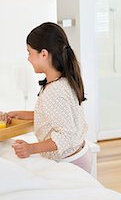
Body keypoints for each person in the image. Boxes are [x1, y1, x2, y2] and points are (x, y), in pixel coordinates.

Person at [8, 22, 91, 173]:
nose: (28, 59)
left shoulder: (55, 91)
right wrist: (21, 114)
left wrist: (30, 148)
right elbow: (55, 117)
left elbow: (66, 135)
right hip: (78, 156)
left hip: (70, 163)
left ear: (44, 54)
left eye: (29, 52)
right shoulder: (63, 81)